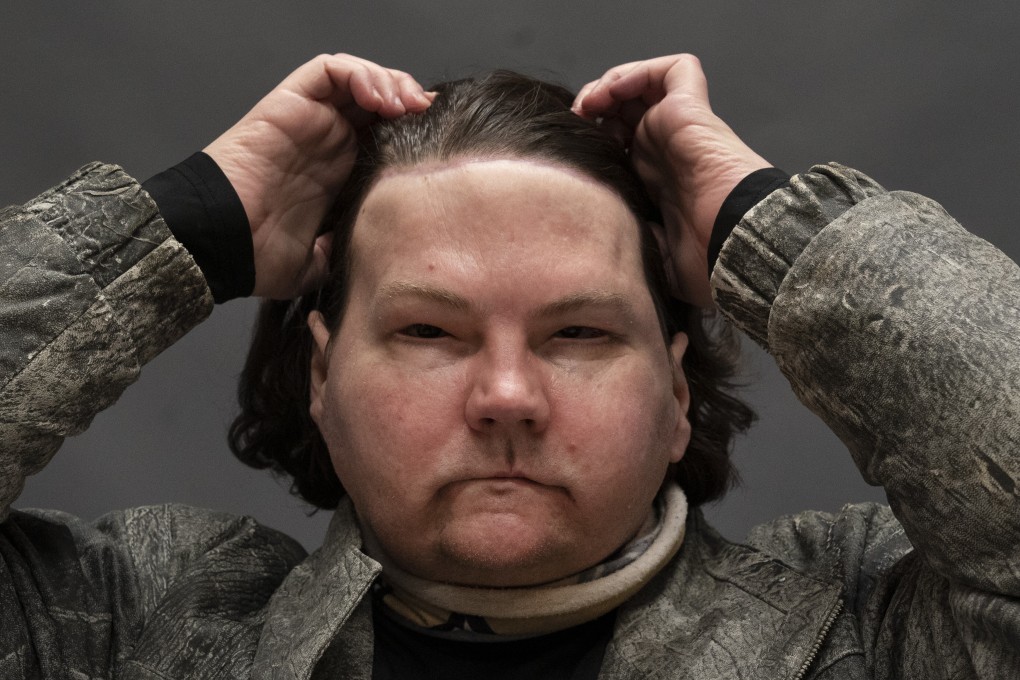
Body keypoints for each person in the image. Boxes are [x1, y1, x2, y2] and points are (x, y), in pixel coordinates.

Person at [1, 52, 1017, 679]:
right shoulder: (128, 624)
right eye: (429, 332)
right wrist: (189, 225)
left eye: (578, 333)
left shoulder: (868, 628)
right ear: (320, 375)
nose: (505, 396)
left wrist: (769, 228)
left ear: (675, 392)